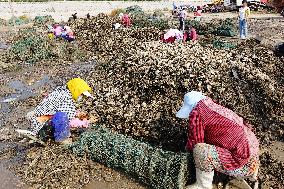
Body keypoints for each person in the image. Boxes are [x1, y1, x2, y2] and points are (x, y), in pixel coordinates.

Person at [176, 91, 259, 189]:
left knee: (200, 150)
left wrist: (186, 151)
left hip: (243, 166)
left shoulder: (197, 112)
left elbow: (195, 142)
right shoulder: (213, 105)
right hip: (254, 156)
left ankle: (203, 185)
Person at [25, 78, 94, 144]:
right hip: (42, 127)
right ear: (75, 90)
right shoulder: (66, 98)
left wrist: (77, 114)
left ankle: (39, 133)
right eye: (81, 95)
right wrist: (83, 122)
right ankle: (61, 139)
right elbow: (68, 119)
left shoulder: (61, 92)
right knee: (62, 117)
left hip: (38, 121)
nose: (82, 97)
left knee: (61, 116)